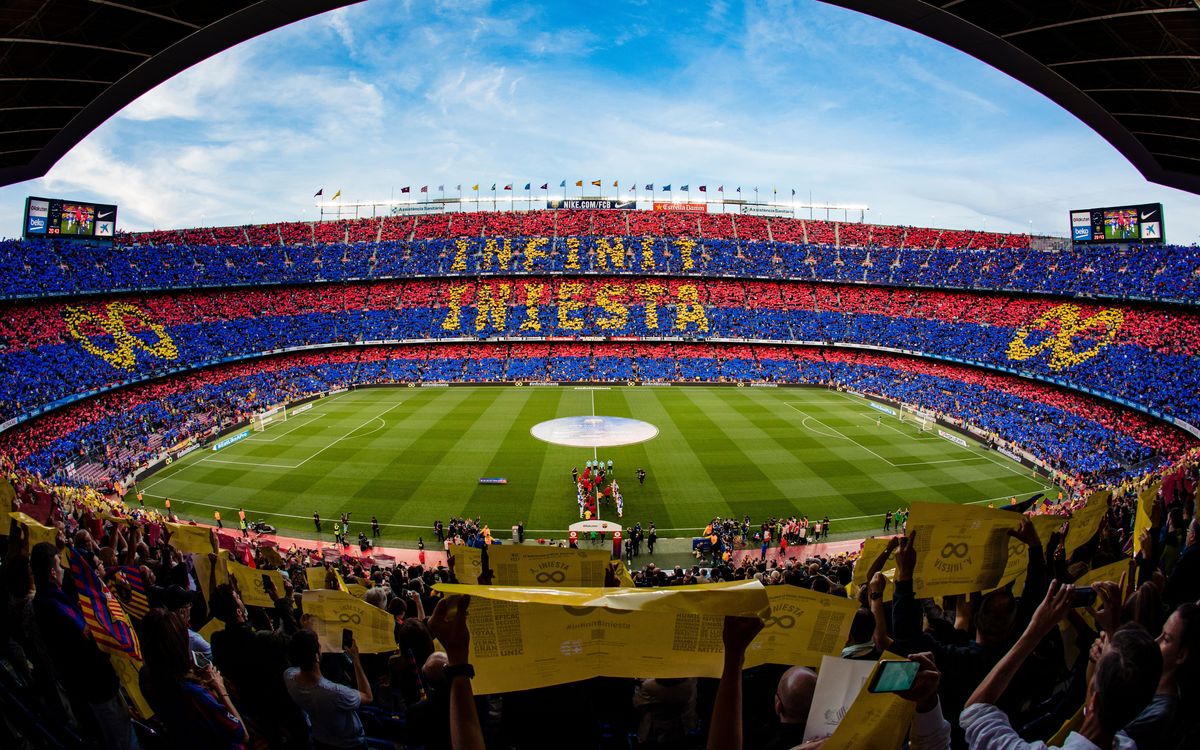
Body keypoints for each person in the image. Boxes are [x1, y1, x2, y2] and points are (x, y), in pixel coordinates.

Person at [962, 581, 1161, 750]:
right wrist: (1112, 628)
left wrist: (1036, 628)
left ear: (1094, 700)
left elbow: (975, 710)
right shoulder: (1126, 743)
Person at [137, 608, 248, 749]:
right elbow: (242, 735)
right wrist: (221, 690)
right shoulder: (194, 693)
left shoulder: (146, 676)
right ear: (179, 644)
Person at [284, 628, 373, 749]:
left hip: (320, 739)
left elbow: (300, 650)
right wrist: (356, 660)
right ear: (317, 656)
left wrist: (307, 631)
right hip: (349, 744)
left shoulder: (289, 677)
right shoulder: (336, 693)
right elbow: (368, 696)